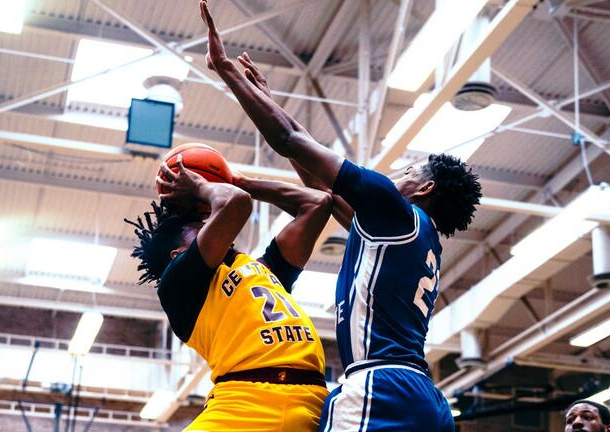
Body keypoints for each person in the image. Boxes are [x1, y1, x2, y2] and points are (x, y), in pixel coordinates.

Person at [199, 1, 483, 430]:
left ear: (424, 188)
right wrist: (266, 99)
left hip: (380, 386)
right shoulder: (416, 239)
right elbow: (323, 192)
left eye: (407, 170)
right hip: (423, 399)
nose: (395, 172)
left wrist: (224, 68)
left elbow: (289, 138)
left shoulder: (394, 209)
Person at [126, 155, 332, 431]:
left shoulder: (264, 270)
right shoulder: (178, 287)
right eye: (201, 227)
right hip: (244, 403)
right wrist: (202, 187)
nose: (214, 225)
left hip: (313, 403)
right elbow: (235, 203)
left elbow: (316, 204)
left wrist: (237, 181)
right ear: (178, 256)